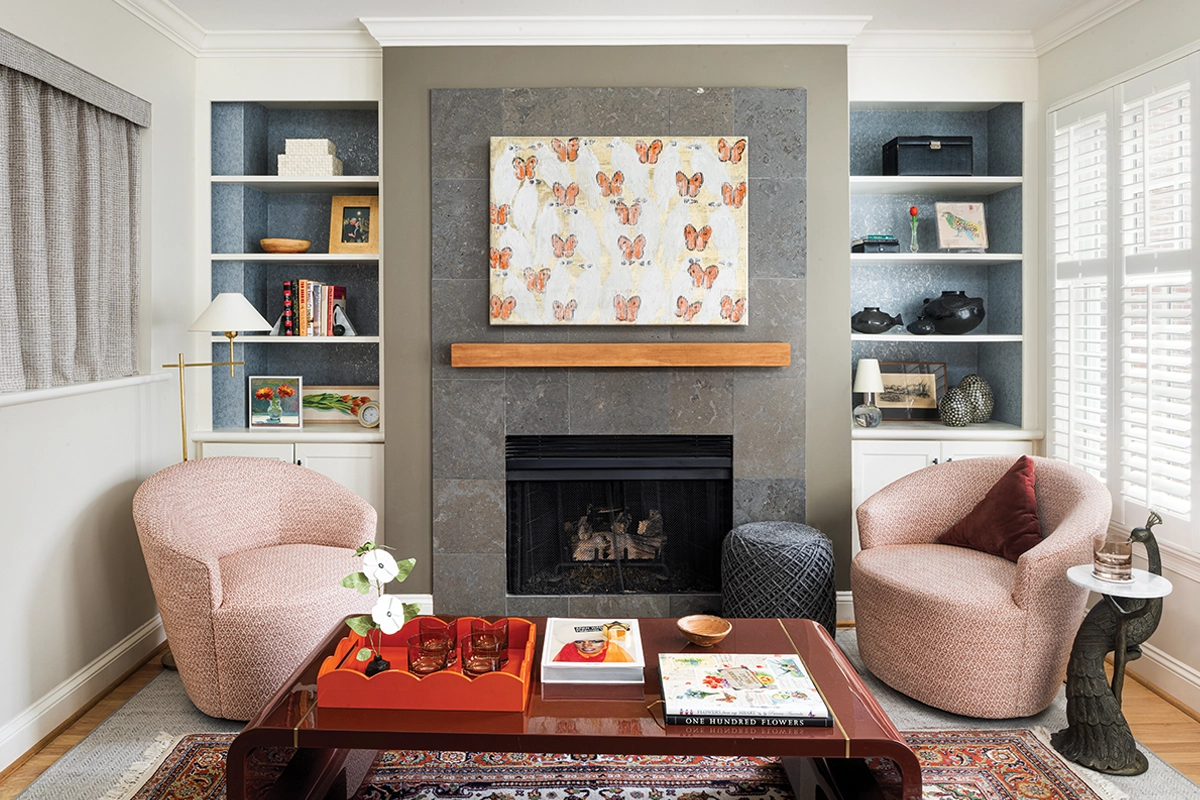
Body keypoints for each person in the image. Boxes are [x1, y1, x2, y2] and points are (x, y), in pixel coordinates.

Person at [553, 635, 634, 663]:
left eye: (594, 641)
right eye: (579, 641)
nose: (587, 646)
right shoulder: (568, 650)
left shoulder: (614, 650)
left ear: (605, 642)